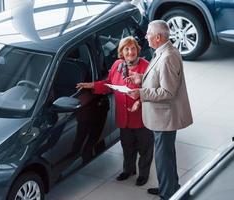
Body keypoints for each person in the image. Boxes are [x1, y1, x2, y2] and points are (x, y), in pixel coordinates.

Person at [127, 20, 193, 200]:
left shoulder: (167, 57)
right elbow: (159, 78)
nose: (145, 36)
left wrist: (141, 93)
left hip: (165, 118)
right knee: (166, 156)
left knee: (164, 158)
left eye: (148, 33)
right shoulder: (163, 51)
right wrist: (142, 78)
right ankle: (170, 186)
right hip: (163, 116)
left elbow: (167, 91)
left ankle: (168, 193)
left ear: (158, 37)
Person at [76, 36, 154, 186]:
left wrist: (139, 100)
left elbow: (152, 90)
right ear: (121, 52)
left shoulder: (146, 66)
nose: (130, 52)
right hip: (124, 118)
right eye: (126, 49)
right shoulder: (117, 65)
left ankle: (143, 174)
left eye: (133, 48)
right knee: (127, 146)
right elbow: (109, 84)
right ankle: (128, 170)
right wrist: (91, 85)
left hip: (142, 117)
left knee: (145, 149)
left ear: (137, 50)